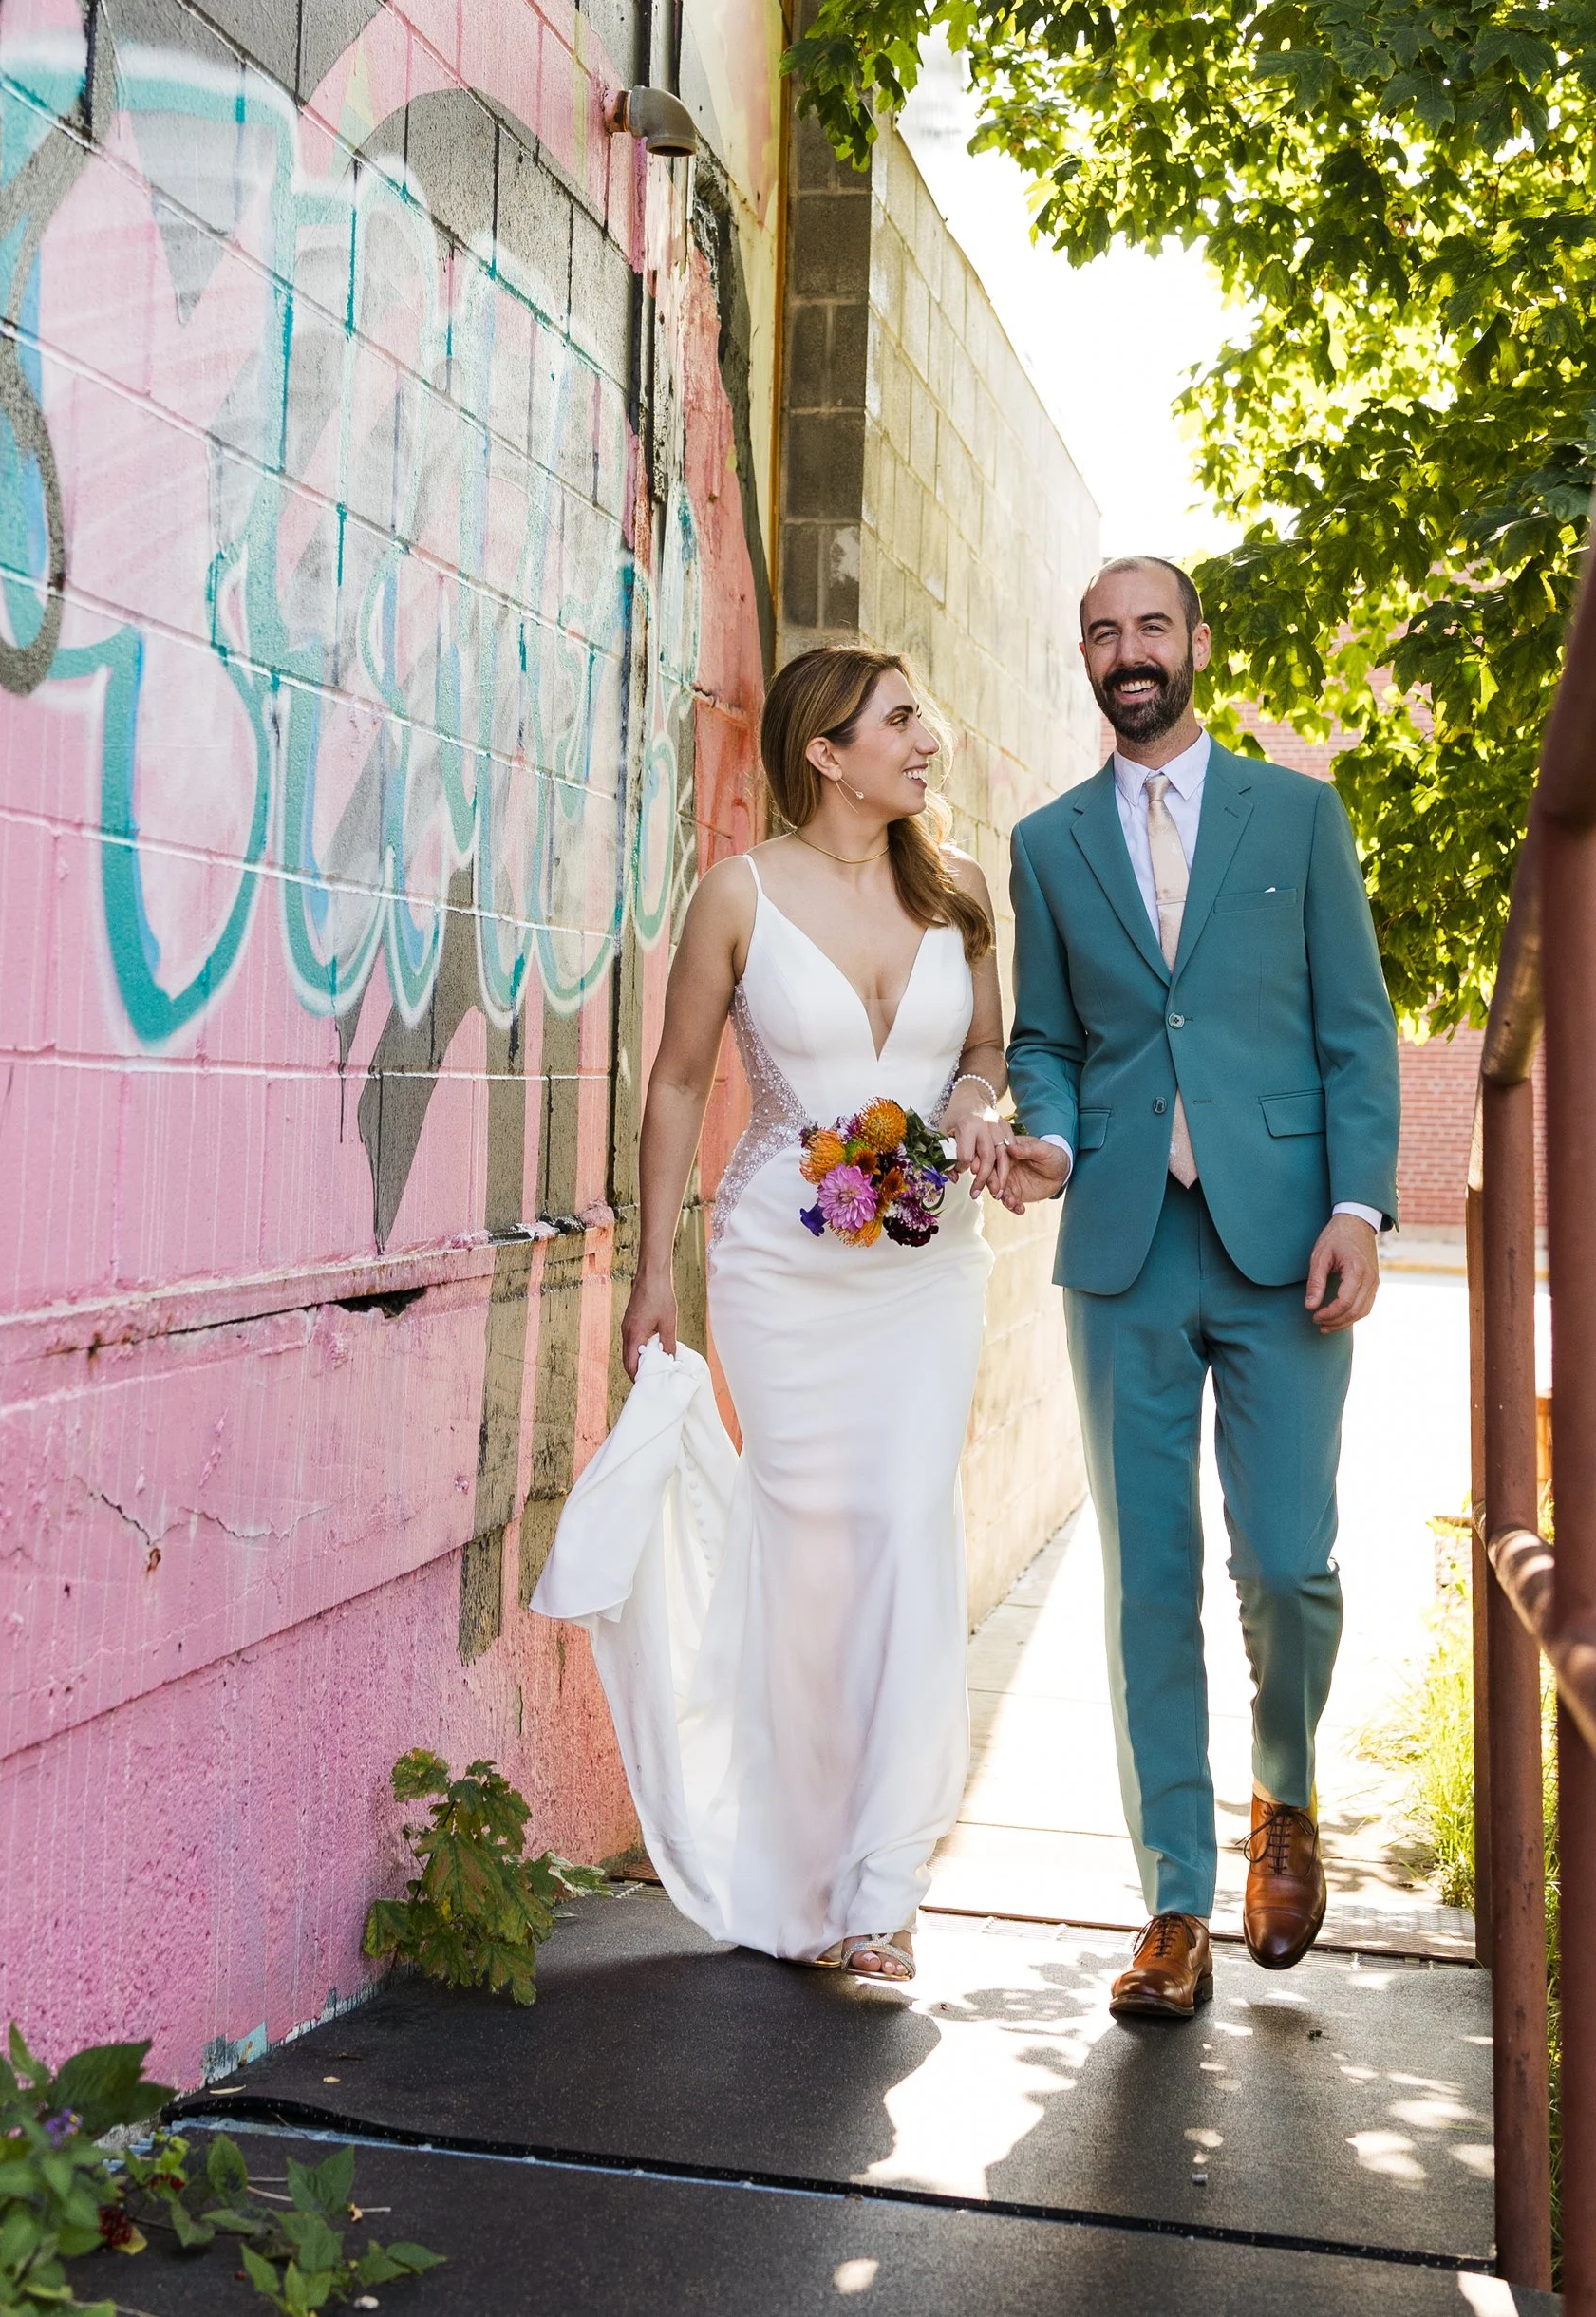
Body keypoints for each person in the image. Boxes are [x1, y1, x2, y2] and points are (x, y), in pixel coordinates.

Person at [533, 648, 1011, 1984]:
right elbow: (679, 1082)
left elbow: (983, 1060)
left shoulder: (963, 892)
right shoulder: (736, 895)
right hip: (779, 1270)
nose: (929, 741)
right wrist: (651, 1268)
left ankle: (883, 1883)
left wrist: (977, 1115)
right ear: (827, 750)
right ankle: (800, 1867)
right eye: (904, 719)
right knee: (808, 1555)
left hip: (926, 1264)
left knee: (910, 1529)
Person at [1000, 556, 1399, 2020]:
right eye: (1101, 632)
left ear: (1199, 645)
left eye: (1149, 627)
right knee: (1149, 1579)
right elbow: (1047, 1035)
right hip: (1121, 1245)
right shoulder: (1048, 843)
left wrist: (1359, 1203)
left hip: (1288, 1234)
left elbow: (1355, 1030)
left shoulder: (1296, 813)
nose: (1127, 652)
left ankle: (1284, 1795)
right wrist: (1043, 1132)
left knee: (1286, 1562)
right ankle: (1173, 1900)